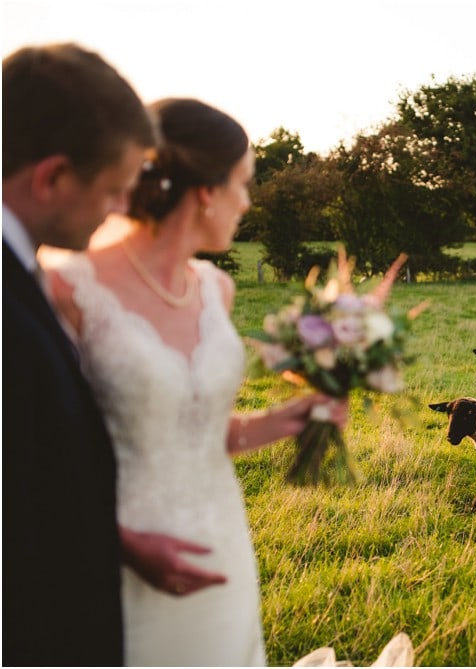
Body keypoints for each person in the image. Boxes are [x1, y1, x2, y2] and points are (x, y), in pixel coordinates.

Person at [44, 97, 343, 665]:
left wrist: (296, 416)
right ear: (206, 191)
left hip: (219, 537)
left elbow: (202, 430)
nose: (247, 202)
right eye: (244, 183)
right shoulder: (69, 288)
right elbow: (35, 453)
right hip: (116, 552)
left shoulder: (213, 289)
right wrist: (123, 544)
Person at [2, 42, 157, 666]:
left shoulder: (25, 274)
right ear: (52, 177)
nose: (124, 210)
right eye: (115, 189)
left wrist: (116, 541)